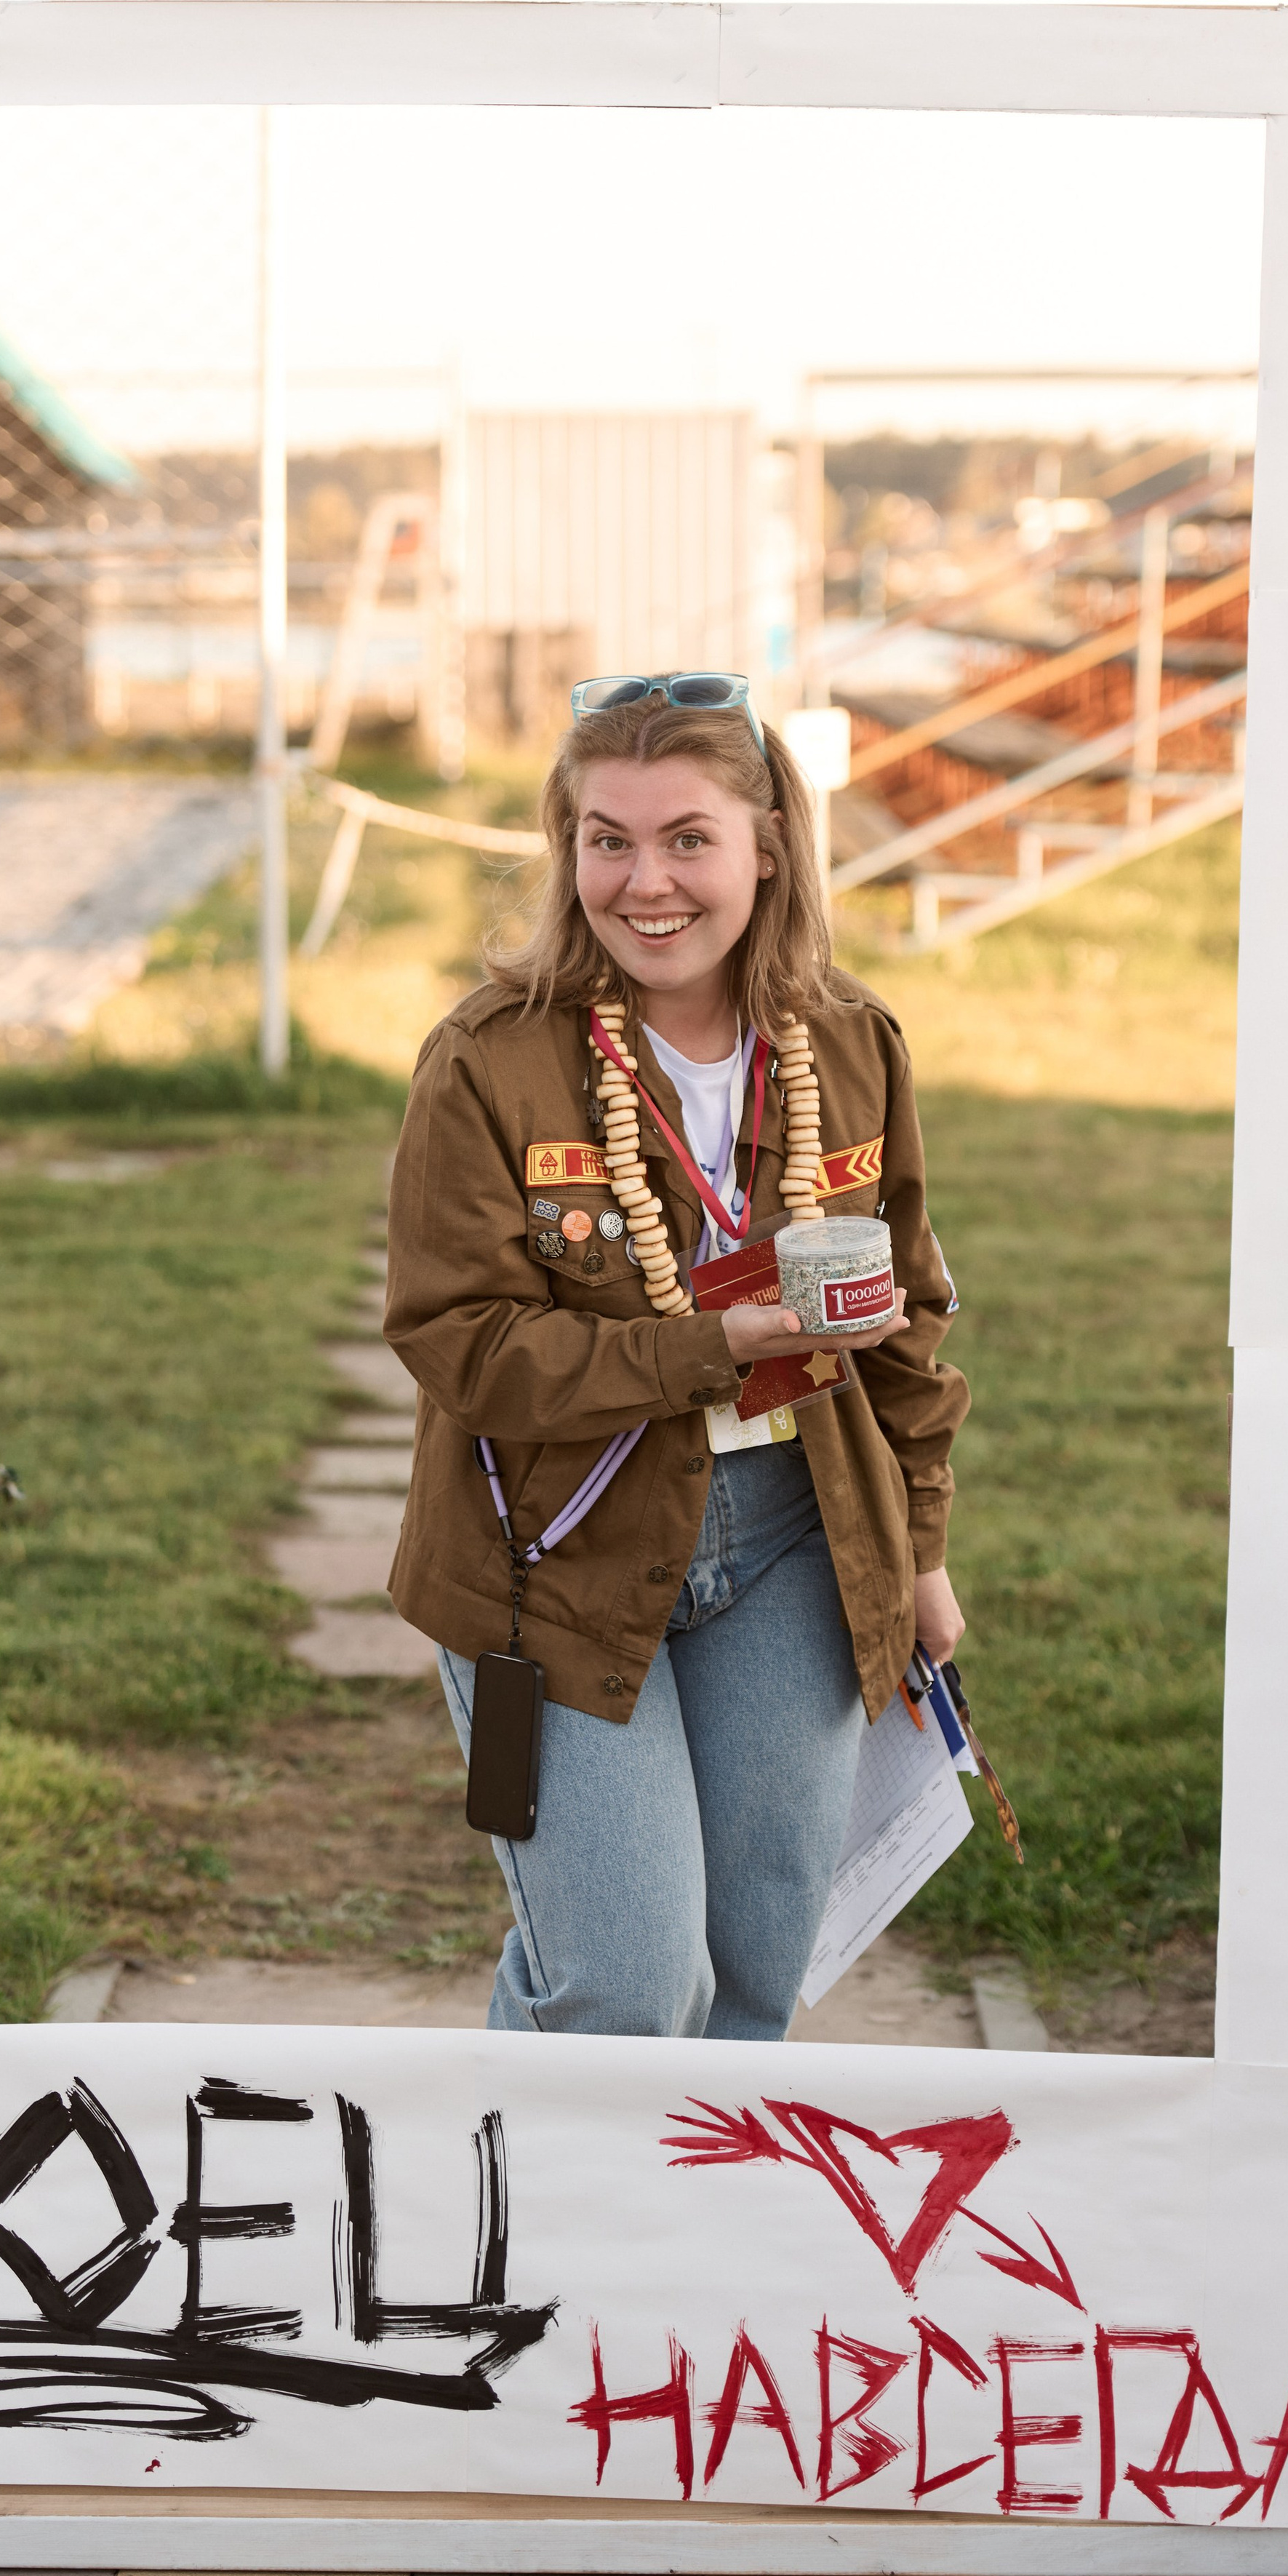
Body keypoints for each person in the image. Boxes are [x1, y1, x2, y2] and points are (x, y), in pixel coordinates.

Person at [383, 671, 969, 2041]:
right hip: (555, 1553)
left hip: (792, 1542)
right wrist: (710, 1346)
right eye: (607, 839)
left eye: (687, 838)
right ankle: (534, 2236)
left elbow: (908, 1316)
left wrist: (921, 1553)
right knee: (625, 1988)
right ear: (566, 847)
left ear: (769, 844)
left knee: (758, 1972)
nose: (644, 882)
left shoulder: (851, 1044)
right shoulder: (486, 1062)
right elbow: (458, 1342)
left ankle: (694, 2251)